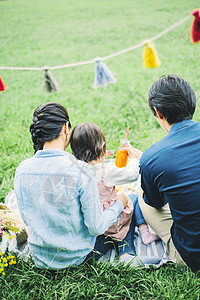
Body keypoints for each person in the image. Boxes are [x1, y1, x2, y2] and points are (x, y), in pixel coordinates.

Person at [14, 102, 128, 269]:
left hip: (40, 257)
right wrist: (119, 203)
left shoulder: (22, 170)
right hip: (78, 256)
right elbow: (96, 227)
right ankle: (127, 251)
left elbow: (27, 218)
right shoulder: (82, 170)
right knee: (125, 210)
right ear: (66, 128)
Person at [126, 75, 200, 272]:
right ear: (192, 103)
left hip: (193, 257)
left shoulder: (152, 158)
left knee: (142, 199)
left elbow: (156, 203)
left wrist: (148, 165)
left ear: (158, 112)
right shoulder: (151, 158)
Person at [70, 122, 161, 265]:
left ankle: (130, 245)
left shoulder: (75, 171)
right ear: (101, 148)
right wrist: (135, 159)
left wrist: (99, 158)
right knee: (132, 200)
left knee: (121, 211)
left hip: (89, 230)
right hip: (109, 224)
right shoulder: (106, 172)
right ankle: (128, 251)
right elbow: (132, 175)